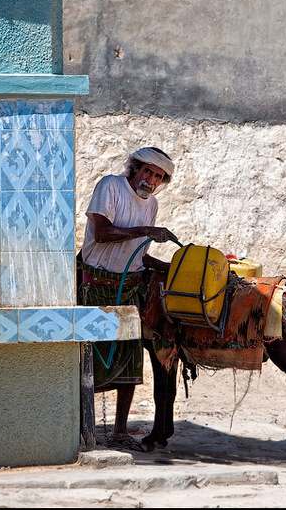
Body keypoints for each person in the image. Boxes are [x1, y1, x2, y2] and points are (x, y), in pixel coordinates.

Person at [77, 147, 178, 451]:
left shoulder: (152, 205)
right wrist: (147, 230)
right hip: (95, 284)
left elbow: (139, 255)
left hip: (128, 287)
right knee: (89, 359)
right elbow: (103, 233)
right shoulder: (111, 186)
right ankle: (83, 427)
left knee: (127, 361)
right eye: (148, 171)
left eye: (158, 176)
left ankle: (120, 430)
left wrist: (169, 267)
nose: (151, 179)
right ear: (134, 168)